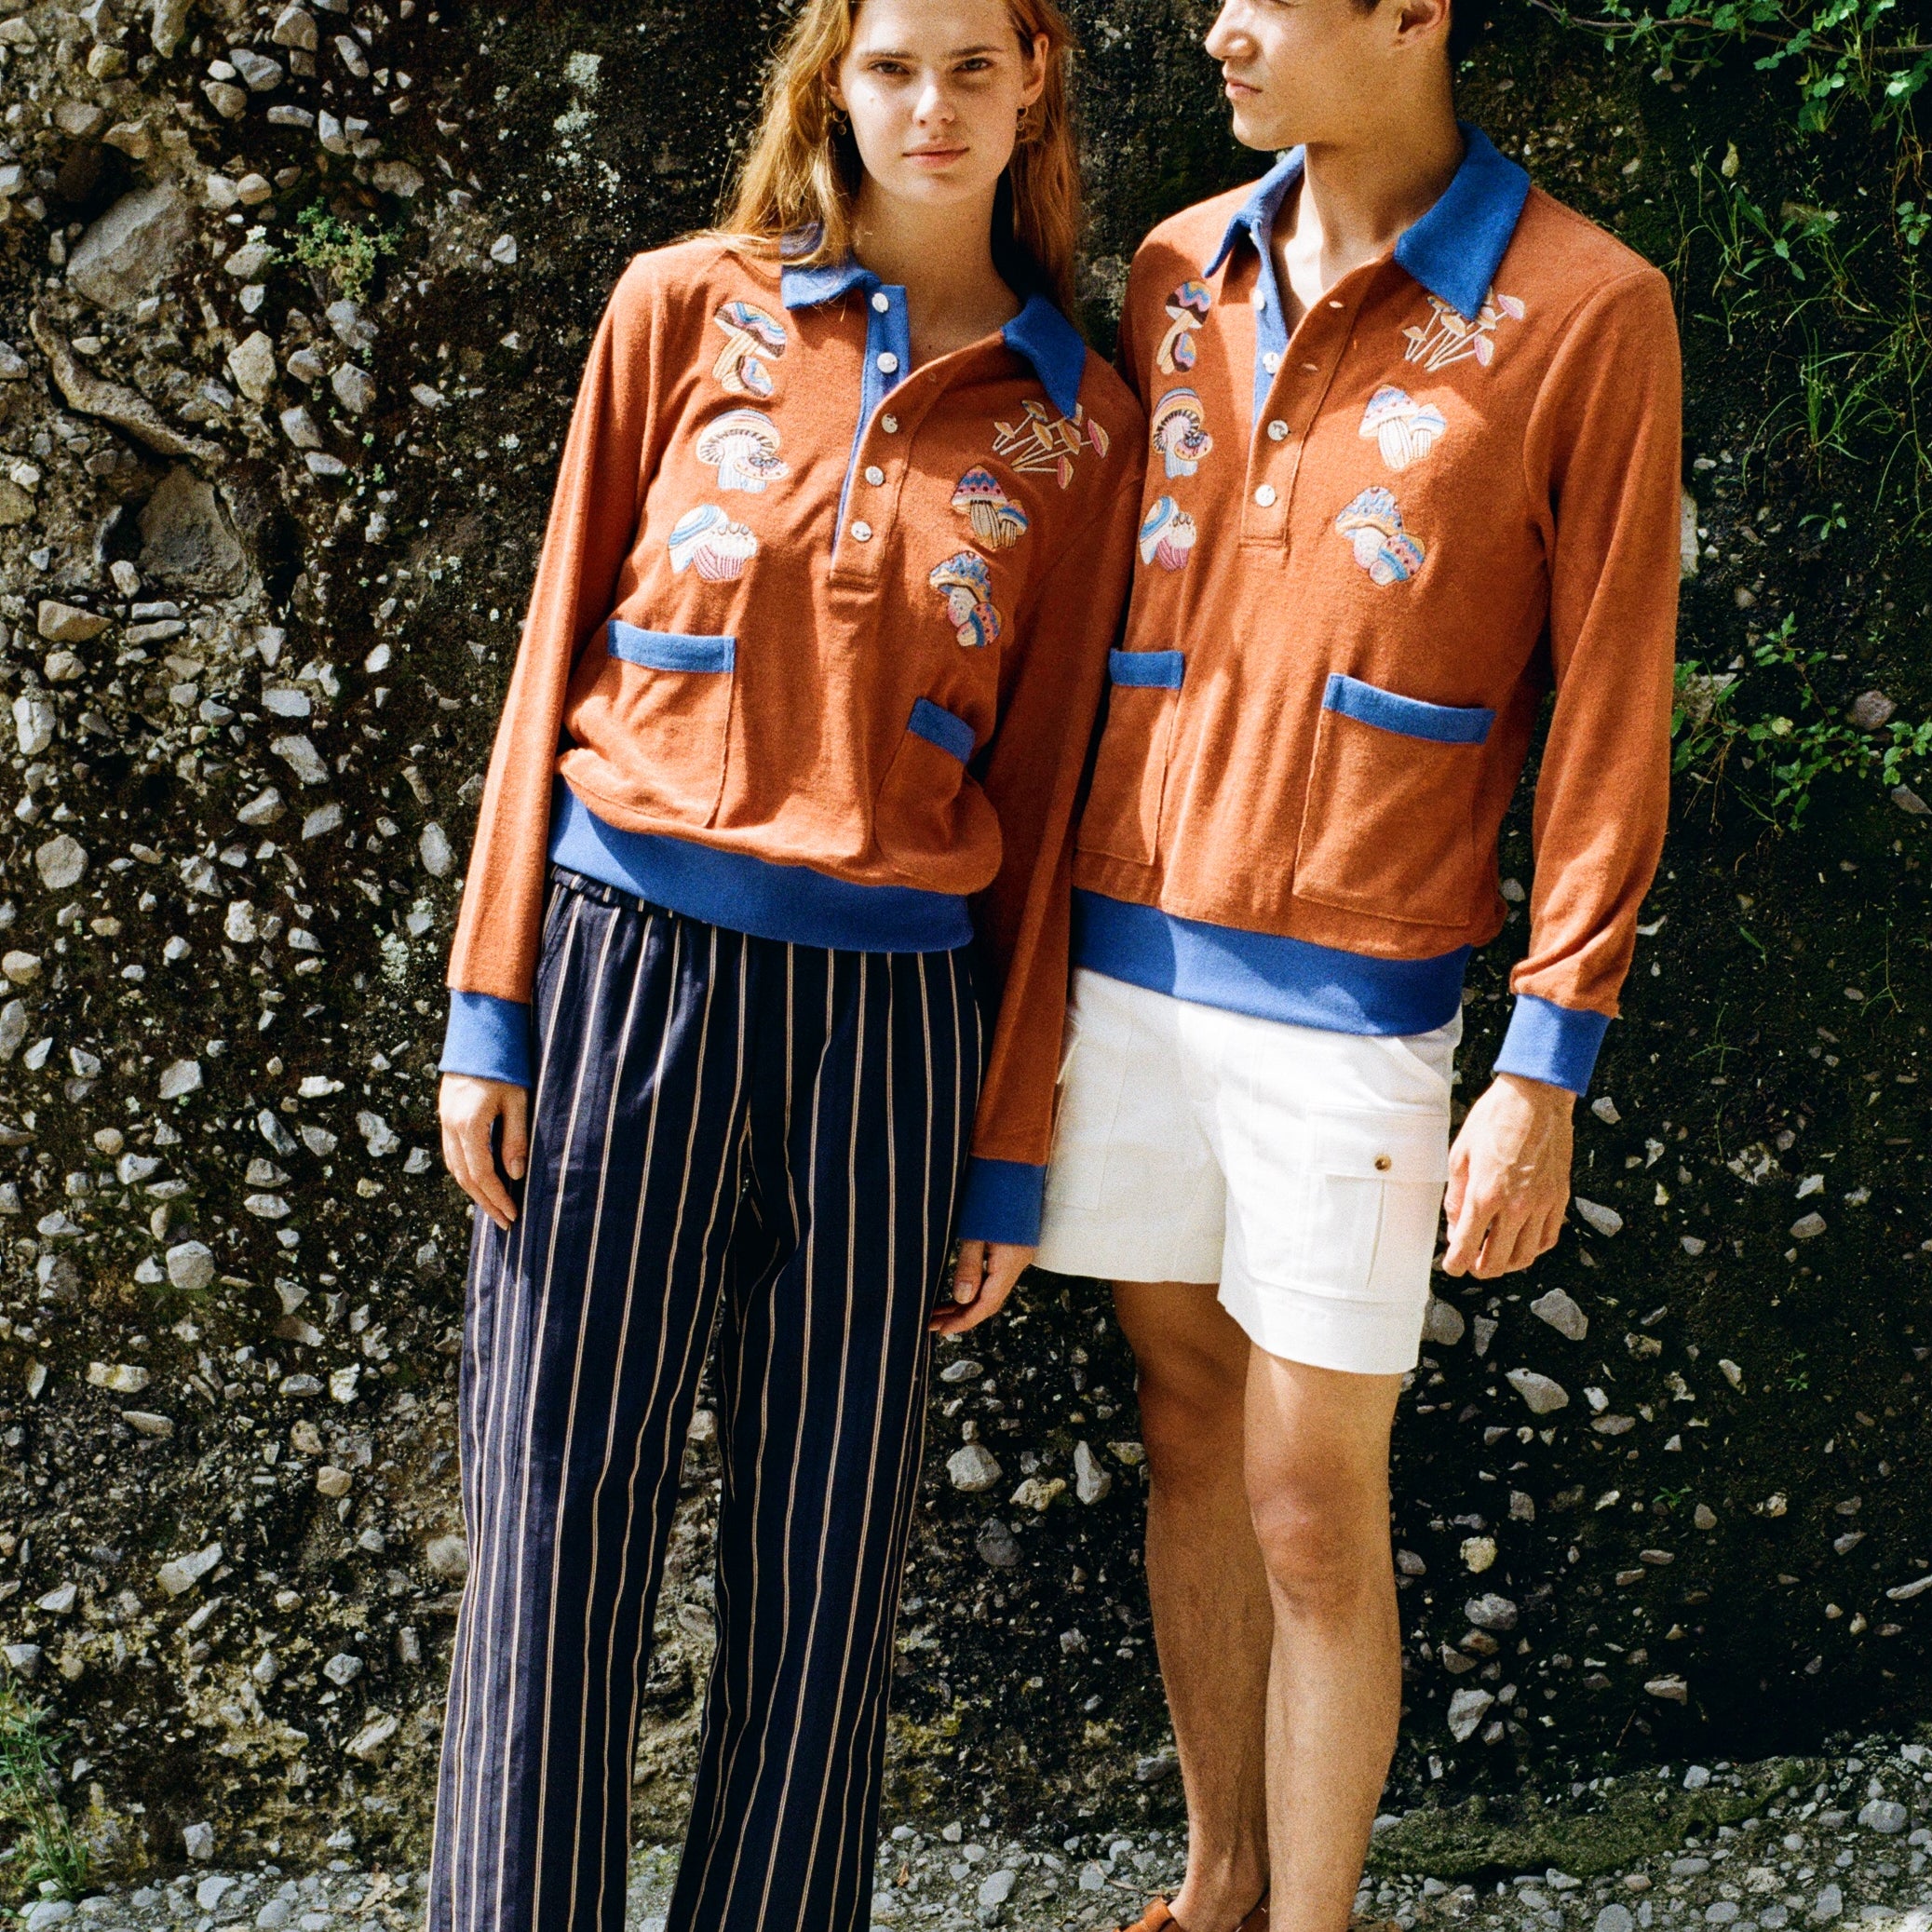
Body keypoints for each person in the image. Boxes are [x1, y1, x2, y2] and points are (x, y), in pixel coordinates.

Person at [427, 0, 1145, 1924]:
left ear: (1034, 88)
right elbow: (548, 651)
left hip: (893, 1032)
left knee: (828, 1573)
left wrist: (1003, 1146)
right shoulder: (681, 309)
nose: (931, 107)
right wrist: (488, 1011)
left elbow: (1056, 793)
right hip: (620, 974)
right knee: (559, 1529)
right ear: (833, 81)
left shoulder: (1082, 416)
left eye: (972, 69)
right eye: (893, 66)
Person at [1032, 0, 1684, 1925]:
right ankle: (1220, 1882)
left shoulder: (1586, 306)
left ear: (1411, 12)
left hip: (1361, 988)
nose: (1215, 24)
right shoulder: (1174, 269)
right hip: (1129, 949)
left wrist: (1546, 1060)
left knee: (1315, 1497)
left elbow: (1613, 701)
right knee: (1181, 1415)